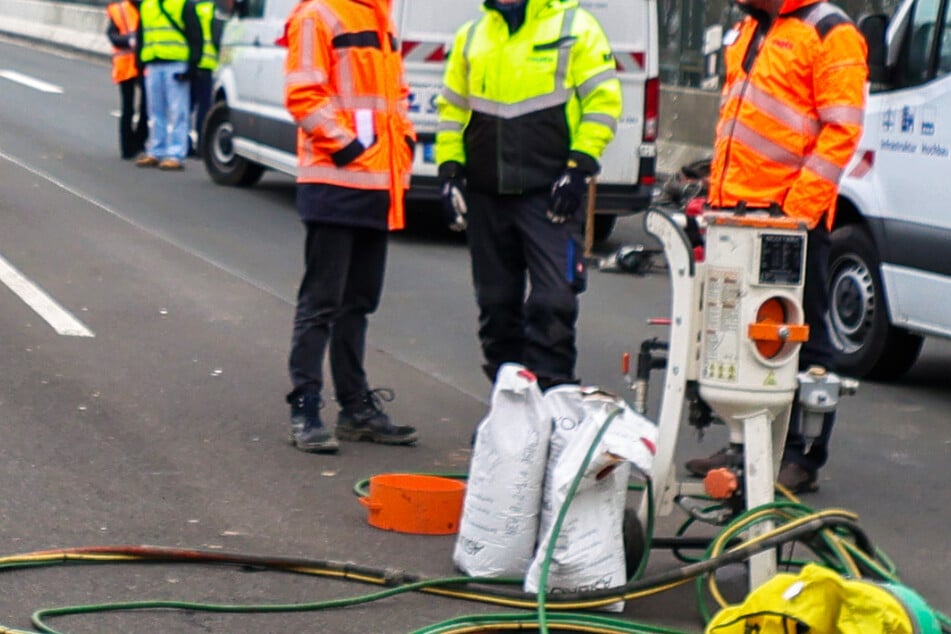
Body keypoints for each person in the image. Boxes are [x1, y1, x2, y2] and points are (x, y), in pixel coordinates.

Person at [684, 0, 868, 493]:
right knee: (744, 335)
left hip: (789, 219)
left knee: (799, 333)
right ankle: (745, 444)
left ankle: (800, 456)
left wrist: (797, 212)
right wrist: (715, 194)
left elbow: (842, 129)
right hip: (740, 215)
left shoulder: (829, 31)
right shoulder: (750, 28)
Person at [435, 0, 622, 391]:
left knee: (554, 302)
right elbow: (451, 109)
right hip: (487, 196)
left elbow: (603, 103)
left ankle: (553, 401)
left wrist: (578, 168)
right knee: (497, 308)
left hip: (550, 193)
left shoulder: (575, 27)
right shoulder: (471, 36)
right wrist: (450, 172)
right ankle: (511, 409)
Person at [282, 0, 419, 453]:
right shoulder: (318, 14)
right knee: (321, 303)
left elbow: (395, 95)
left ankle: (355, 409)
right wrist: (349, 148)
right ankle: (305, 408)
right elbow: (303, 93)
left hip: (380, 184)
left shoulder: (379, 16)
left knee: (358, 303)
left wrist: (404, 143)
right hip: (335, 180)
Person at [134, 0, 202, 171]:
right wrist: (139, 63)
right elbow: (141, 36)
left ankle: (176, 154)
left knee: (178, 111)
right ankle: (156, 151)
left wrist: (192, 66)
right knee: (155, 112)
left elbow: (195, 36)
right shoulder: (147, 5)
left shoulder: (183, 5)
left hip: (176, 65)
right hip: (153, 63)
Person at [106, 0, 149, 160]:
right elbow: (112, 35)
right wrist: (128, 40)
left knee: (146, 107)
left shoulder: (149, 7)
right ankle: (127, 147)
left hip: (145, 63)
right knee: (128, 108)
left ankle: (140, 142)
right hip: (126, 65)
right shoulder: (120, 10)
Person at [188, 0, 220, 157]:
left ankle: (185, 144)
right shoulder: (211, 9)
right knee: (204, 107)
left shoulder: (188, 6)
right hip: (206, 64)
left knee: (186, 106)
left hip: (188, 62)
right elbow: (216, 38)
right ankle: (201, 145)